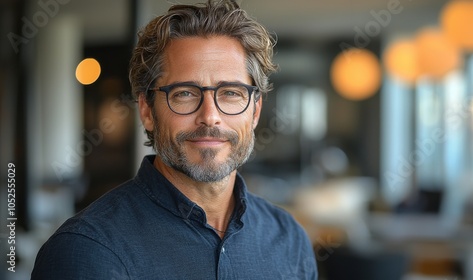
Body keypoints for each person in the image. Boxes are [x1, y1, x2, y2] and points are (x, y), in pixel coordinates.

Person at [31, 0, 318, 279]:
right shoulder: (87, 250)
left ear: (255, 111)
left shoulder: (290, 241)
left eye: (231, 93)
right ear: (147, 111)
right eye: (184, 93)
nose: (210, 117)